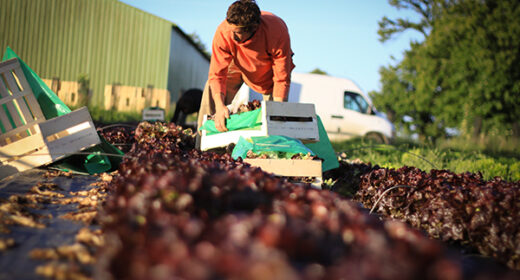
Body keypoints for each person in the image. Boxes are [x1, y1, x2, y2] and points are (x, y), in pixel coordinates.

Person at [197, 0, 295, 132]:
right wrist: (219, 107)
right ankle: (202, 139)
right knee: (211, 88)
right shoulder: (224, 31)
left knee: (275, 119)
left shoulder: (276, 31)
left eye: (237, 32)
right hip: (237, 62)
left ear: (254, 27)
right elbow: (217, 74)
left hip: (266, 71)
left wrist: (278, 110)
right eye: (230, 29)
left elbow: (281, 77)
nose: (231, 35)